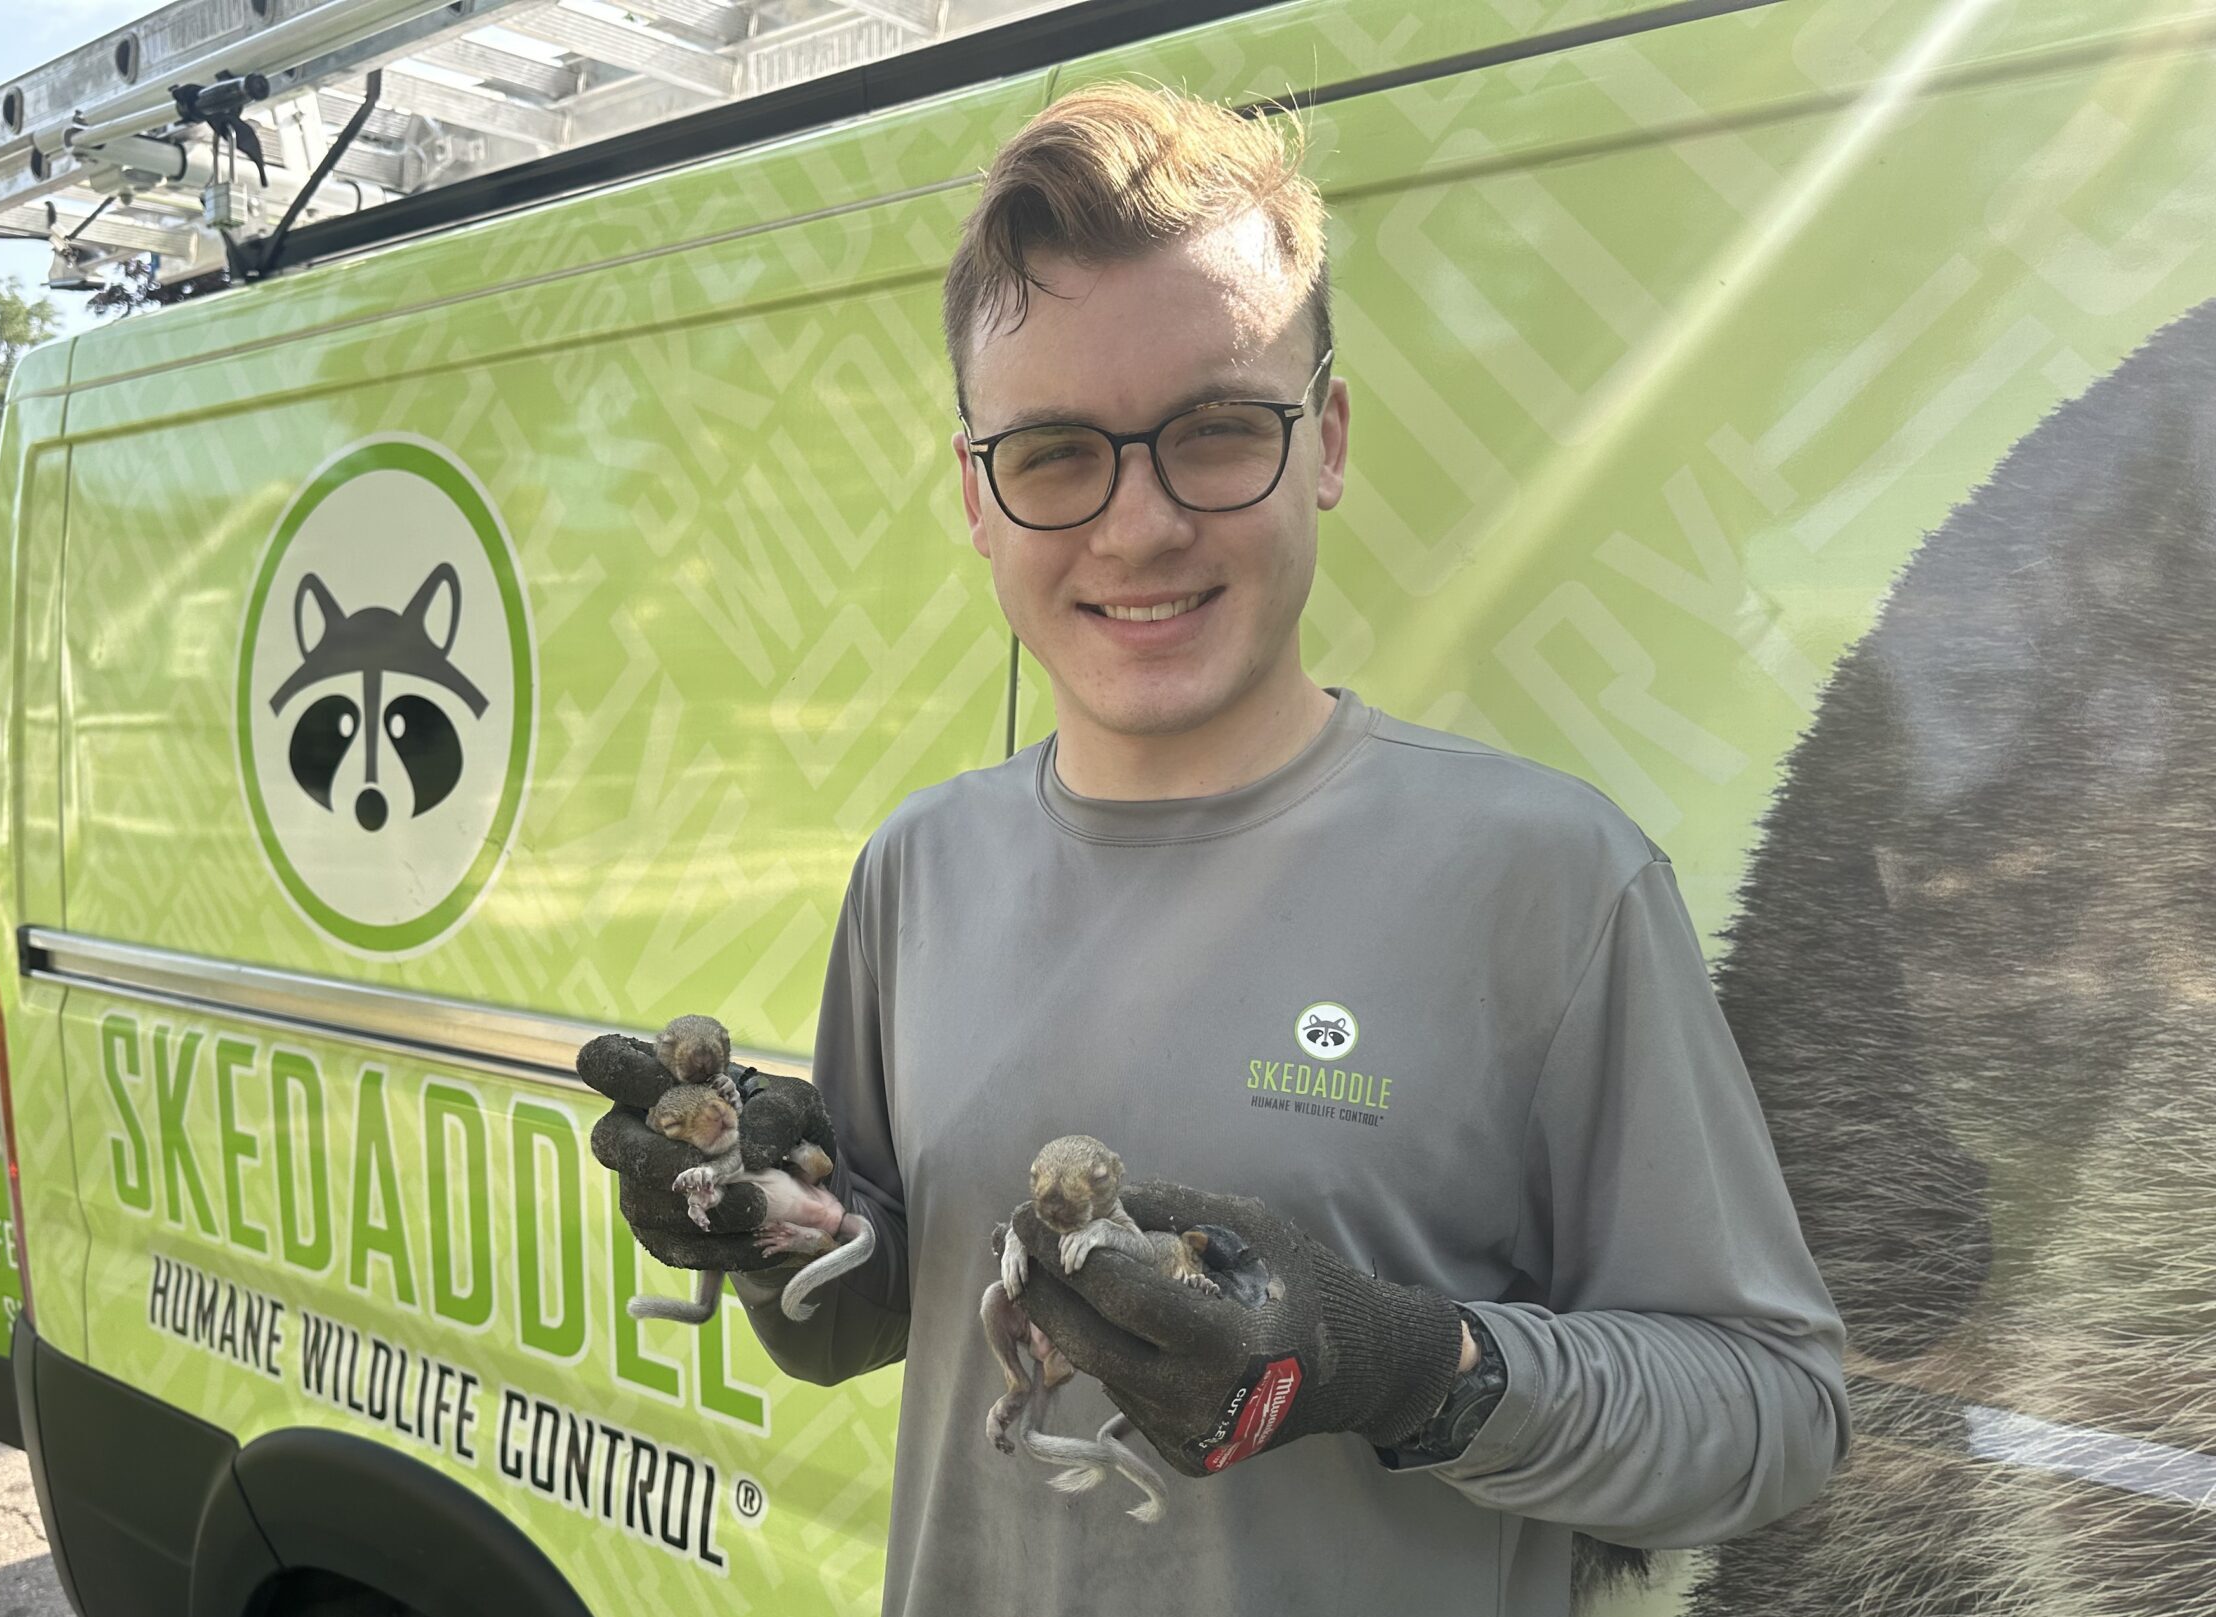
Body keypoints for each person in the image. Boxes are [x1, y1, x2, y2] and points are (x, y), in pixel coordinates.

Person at [591, 78, 1850, 1615]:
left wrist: (1414, 1371)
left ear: (1322, 439)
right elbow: (858, 1316)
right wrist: (779, 1219)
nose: (1137, 526)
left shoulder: (1554, 883)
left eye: (1212, 431)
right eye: (1054, 453)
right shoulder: (916, 868)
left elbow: (1777, 1409)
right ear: (979, 501)